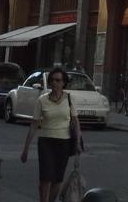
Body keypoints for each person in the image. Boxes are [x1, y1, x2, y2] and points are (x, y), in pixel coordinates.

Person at [21, 66, 83, 202]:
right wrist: (25, 149)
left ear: (63, 83)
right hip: (46, 142)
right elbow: (34, 125)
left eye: (58, 80)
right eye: (52, 80)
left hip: (64, 142)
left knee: (57, 179)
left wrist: (78, 142)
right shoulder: (42, 100)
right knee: (46, 177)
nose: (55, 83)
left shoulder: (69, 99)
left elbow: (76, 122)